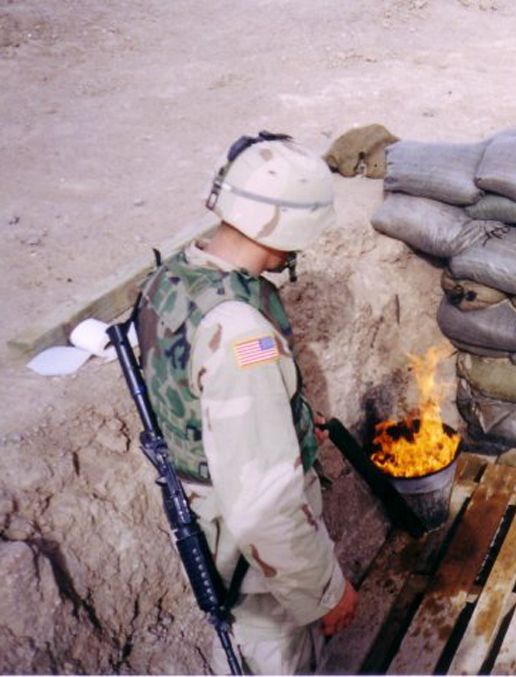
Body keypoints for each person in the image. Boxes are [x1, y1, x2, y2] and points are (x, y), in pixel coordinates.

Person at [135, 132, 358, 674]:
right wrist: (327, 592)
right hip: (259, 571)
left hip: (215, 521)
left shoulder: (175, 279)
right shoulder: (241, 338)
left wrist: (296, 421)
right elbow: (266, 508)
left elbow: (194, 404)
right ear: (292, 226)